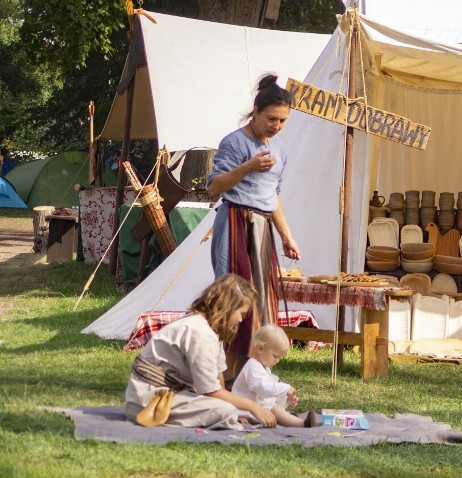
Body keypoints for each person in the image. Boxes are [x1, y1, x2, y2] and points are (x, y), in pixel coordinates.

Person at [207, 73, 301, 384]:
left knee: (261, 302)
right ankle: (221, 378)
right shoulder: (235, 143)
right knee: (234, 302)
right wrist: (247, 166)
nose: (276, 126)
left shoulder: (280, 151)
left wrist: (287, 237)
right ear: (256, 113)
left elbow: (272, 197)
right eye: (271, 118)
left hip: (262, 229)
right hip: (235, 224)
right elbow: (214, 187)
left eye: (283, 121)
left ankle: (249, 379)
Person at [124, 274, 278, 429]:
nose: (240, 320)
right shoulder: (200, 332)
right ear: (228, 307)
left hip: (164, 394)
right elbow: (210, 390)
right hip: (148, 400)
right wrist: (252, 407)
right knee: (225, 412)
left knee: (230, 410)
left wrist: (238, 410)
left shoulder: (211, 331)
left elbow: (217, 377)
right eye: (241, 314)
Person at [231, 325, 317, 427]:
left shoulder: (264, 368)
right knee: (274, 409)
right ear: (260, 349)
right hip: (243, 409)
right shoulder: (252, 366)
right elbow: (263, 388)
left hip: (256, 409)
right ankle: (302, 424)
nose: (278, 360)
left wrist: (285, 399)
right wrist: (285, 388)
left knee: (275, 408)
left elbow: (269, 396)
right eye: (275, 356)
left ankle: (288, 418)